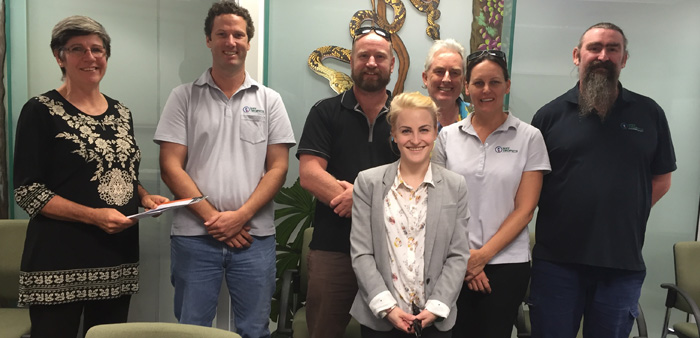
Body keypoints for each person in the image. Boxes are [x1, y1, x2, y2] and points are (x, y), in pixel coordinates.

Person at [13, 15, 169, 338]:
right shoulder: (39, 111)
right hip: (59, 261)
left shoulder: (121, 112)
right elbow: (28, 192)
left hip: (116, 256)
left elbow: (123, 171)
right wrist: (93, 216)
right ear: (59, 56)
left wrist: (143, 196)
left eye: (97, 49)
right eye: (77, 49)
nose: (90, 57)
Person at [153, 2, 295, 336]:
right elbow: (171, 166)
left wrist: (240, 216)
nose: (230, 41)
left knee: (254, 328)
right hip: (194, 238)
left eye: (238, 34)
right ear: (208, 40)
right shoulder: (183, 97)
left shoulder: (270, 100)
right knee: (193, 329)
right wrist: (214, 218)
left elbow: (278, 167)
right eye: (222, 34)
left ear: (248, 41)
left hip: (254, 237)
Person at [529, 22, 676, 338]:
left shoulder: (649, 114)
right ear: (576, 55)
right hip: (557, 264)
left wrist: (623, 208)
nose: (603, 55)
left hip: (621, 264)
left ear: (624, 59)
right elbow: (531, 186)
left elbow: (662, 179)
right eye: (594, 48)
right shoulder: (548, 117)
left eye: (613, 49)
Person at [432, 49, 551, 338]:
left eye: (495, 82)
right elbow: (438, 203)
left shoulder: (529, 137)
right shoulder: (447, 136)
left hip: (507, 265)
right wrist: (467, 259)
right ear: (467, 87)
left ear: (507, 85)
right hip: (451, 261)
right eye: (478, 83)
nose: (486, 90)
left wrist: (482, 256)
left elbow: (525, 209)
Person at [297, 26, 399, 338]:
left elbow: (417, 178)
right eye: (363, 55)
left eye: (379, 56)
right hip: (333, 248)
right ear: (351, 60)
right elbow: (310, 173)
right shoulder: (325, 112)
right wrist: (363, 200)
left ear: (391, 64)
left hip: (392, 252)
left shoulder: (405, 117)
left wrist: (363, 199)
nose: (371, 62)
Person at [350, 92, 470, 338]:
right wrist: (388, 308)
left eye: (424, 130)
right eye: (406, 131)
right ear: (393, 134)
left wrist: (436, 306)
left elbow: (458, 254)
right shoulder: (368, 183)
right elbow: (362, 252)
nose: (416, 139)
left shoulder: (455, 186)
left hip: (434, 319)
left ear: (436, 132)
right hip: (381, 319)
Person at [422, 39, 469, 131]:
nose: (446, 79)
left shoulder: (477, 117)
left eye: (454, 73)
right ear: (425, 78)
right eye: (439, 72)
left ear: (463, 80)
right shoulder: (409, 117)